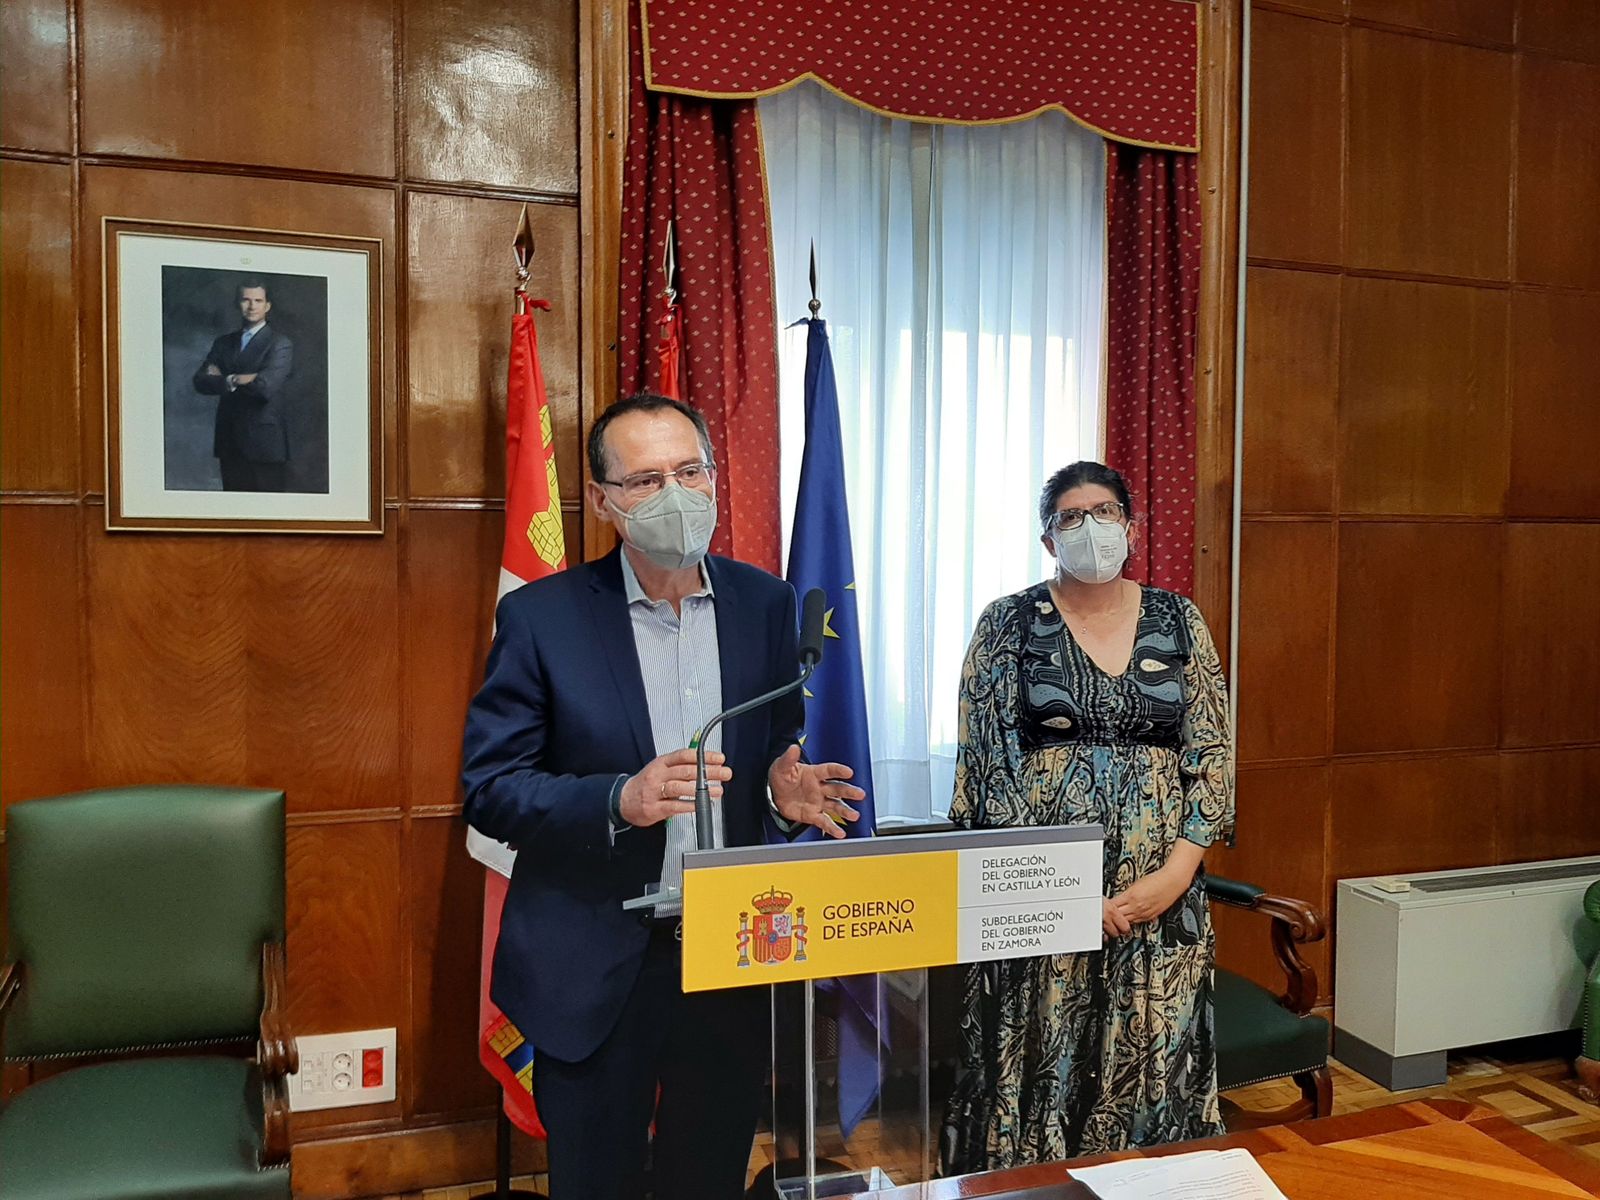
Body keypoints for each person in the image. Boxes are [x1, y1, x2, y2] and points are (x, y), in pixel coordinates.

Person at [460, 393, 865, 1200]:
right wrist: (619, 799)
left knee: (705, 1178)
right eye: (646, 481)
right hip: (596, 958)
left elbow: (774, 745)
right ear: (605, 502)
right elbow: (491, 790)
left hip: (730, 950)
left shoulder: (764, 604)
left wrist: (785, 791)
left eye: (690, 471)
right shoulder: (543, 619)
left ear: (716, 478)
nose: (675, 495)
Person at [940, 460, 1234, 1172]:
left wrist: (1178, 871)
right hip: (1040, 901)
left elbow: (1213, 749)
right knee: (1047, 1060)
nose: (1089, 527)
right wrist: (1064, 894)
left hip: (1161, 900)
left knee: (1151, 1060)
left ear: (1131, 527)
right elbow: (986, 772)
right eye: (1070, 517)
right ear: (1048, 540)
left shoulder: (1178, 617)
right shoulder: (1007, 623)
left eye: (1104, 512)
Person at [191, 279, 294, 491]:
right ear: (238, 304)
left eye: (258, 300)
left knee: (267, 514)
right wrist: (237, 379)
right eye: (246, 300)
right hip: (229, 441)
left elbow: (265, 388)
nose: (252, 306)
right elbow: (200, 381)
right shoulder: (223, 343)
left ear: (267, 306)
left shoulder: (280, 343)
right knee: (233, 513)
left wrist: (223, 378)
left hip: (264, 446)